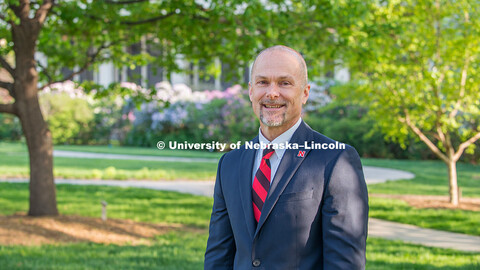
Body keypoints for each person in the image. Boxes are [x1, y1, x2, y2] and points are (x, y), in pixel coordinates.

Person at [204, 45, 368, 270]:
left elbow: (344, 264)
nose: (272, 93)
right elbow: (218, 257)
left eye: (284, 83)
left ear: (305, 93)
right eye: (263, 82)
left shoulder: (336, 160)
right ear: (251, 91)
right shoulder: (229, 164)